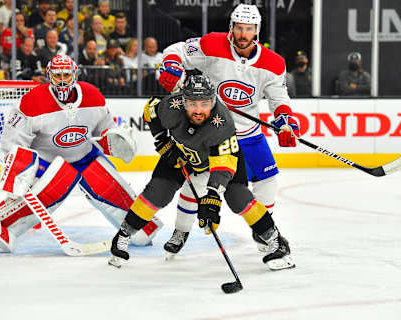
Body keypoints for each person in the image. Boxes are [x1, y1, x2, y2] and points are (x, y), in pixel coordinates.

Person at [158, 4, 298, 266]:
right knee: (197, 183)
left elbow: (279, 100)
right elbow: (175, 51)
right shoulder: (212, 45)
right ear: (231, 28)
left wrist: (286, 122)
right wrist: (172, 65)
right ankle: (181, 230)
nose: (243, 34)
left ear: (257, 31)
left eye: (249, 29)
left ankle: (262, 231)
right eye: (239, 28)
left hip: (248, 134)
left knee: (267, 181)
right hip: (211, 132)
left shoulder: (273, 63)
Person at [108, 75, 293, 270]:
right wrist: (162, 139)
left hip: (221, 158)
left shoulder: (222, 124)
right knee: (157, 193)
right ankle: (123, 235)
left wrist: (211, 197)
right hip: (182, 152)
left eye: (205, 104)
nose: (198, 110)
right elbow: (151, 110)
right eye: (192, 103)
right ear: (182, 100)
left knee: (238, 198)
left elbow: (223, 167)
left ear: (213, 101)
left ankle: (276, 240)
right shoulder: (172, 106)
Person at [0, 54, 163, 253]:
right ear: (48, 75)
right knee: (38, 197)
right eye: (57, 75)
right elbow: (13, 142)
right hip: (49, 164)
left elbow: (105, 131)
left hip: (86, 158)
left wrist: (113, 139)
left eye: (66, 75)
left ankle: (142, 226)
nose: (62, 80)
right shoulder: (32, 101)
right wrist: (20, 171)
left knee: (141, 232)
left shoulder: (92, 95)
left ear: (75, 75)